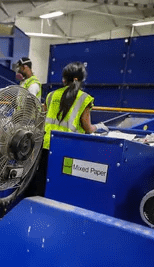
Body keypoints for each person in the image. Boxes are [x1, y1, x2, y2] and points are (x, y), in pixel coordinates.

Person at [29, 61, 107, 196]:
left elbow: (42, 119)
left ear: (64, 79)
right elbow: (87, 128)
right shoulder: (85, 98)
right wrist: (99, 127)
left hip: (45, 146)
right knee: (62, 186)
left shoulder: (51, 95)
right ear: (81, 79)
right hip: (69, 149)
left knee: (41, 185)